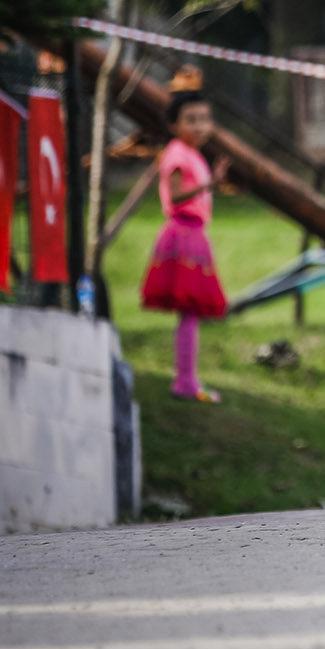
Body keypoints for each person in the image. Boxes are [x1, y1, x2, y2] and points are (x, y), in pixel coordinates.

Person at [140, 69, 231, 403]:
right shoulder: (177, 153)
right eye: (192, 120)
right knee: (189, 312)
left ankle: (187, 378)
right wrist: (211, 184)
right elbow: (177, 196)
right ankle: (184, 381)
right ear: (174, 125)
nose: (200, 126)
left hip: (194, 234)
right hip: (183, 235)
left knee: (190, 315)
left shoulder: (190, 153)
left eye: (204, 119)